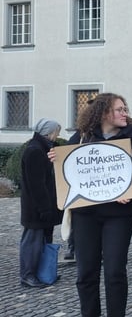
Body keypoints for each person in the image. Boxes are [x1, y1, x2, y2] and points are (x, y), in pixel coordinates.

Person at [50, 92, 132, 316]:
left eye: (125, 109)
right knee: (86, 273)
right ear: (104, 113)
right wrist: (55, 160)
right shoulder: (82, 137)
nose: (125, 113)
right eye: (119, 109)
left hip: (118, 215)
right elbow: (69, 170)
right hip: (86, 215)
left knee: (114, 272)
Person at [19, 118, 64, 288]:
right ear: (49, 132)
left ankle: (42, 272)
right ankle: (28, 275)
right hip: (36, 207)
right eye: (56, 132)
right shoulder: (35, 151)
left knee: (44, 240)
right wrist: (44, 208)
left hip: (42, 205)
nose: (58, 135)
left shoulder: (42, 148)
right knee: (32, 242)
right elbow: (36, 184)